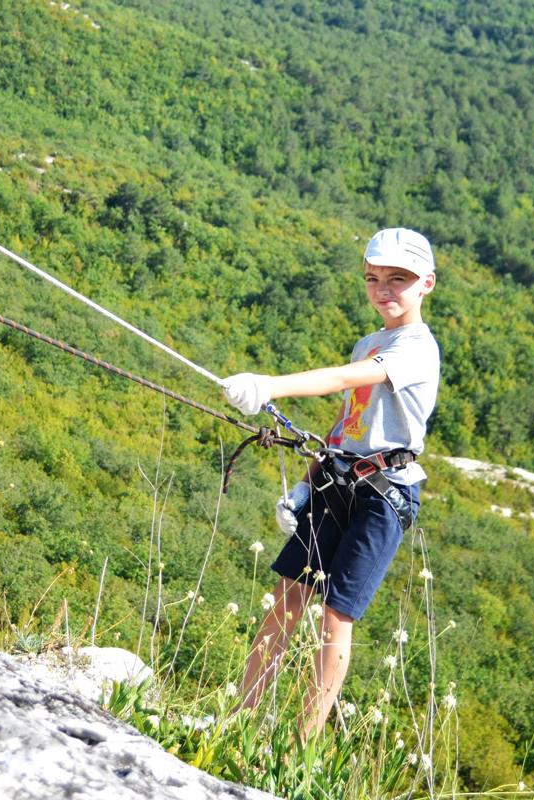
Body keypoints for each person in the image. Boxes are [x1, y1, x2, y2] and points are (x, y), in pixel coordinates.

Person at [220, 227, 440, 738]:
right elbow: (346, 426)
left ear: (427, 283)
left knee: (335, 618)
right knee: (286, 599)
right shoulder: (371, 342)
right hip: (338, 480)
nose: (384, 290)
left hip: (385, 494)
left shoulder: (416, 348)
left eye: (398, 280)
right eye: (373, 278)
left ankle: (305, 744)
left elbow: (344, 380)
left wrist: (270, 385)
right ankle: (239, 721)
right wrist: (305, 483)